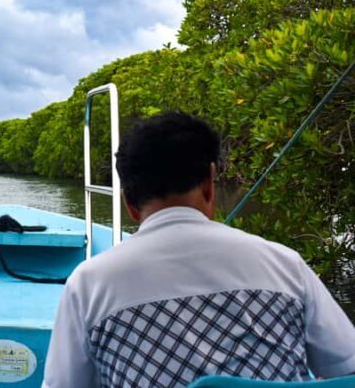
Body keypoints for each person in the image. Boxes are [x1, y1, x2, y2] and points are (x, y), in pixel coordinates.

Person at [43, 112, 355, 387]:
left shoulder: (90, 283)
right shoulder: (285, 265)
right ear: (209, 181)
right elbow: (347, 367)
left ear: (129, 203)